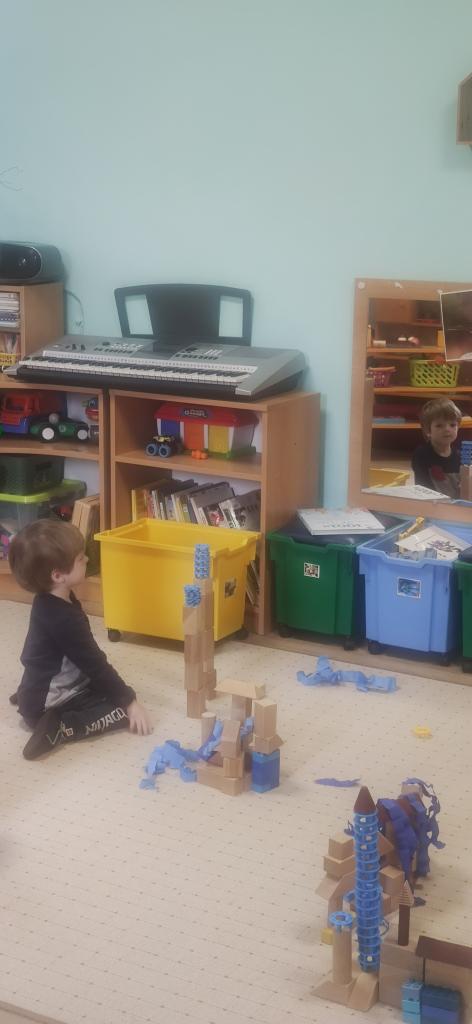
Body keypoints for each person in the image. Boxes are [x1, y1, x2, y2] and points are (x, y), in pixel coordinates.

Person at [8, 519, 153, 760]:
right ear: (58, 575)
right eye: (80, 558)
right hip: (45, 705)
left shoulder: (48, 601)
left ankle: (31, 698)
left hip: (36, 693)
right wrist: (129, 701)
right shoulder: (64, 619)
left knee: (106, 689)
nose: (86, 559)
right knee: (119, 711)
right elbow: (95, 664)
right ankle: (60, 728)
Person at [411, 397, 462, 499]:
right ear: (428, 430)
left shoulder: (459, 456)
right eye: (439, 425)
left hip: (456, 505)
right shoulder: (421, 454)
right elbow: (421, 487)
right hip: (431, 503)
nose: (447, 429)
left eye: (452, 425)